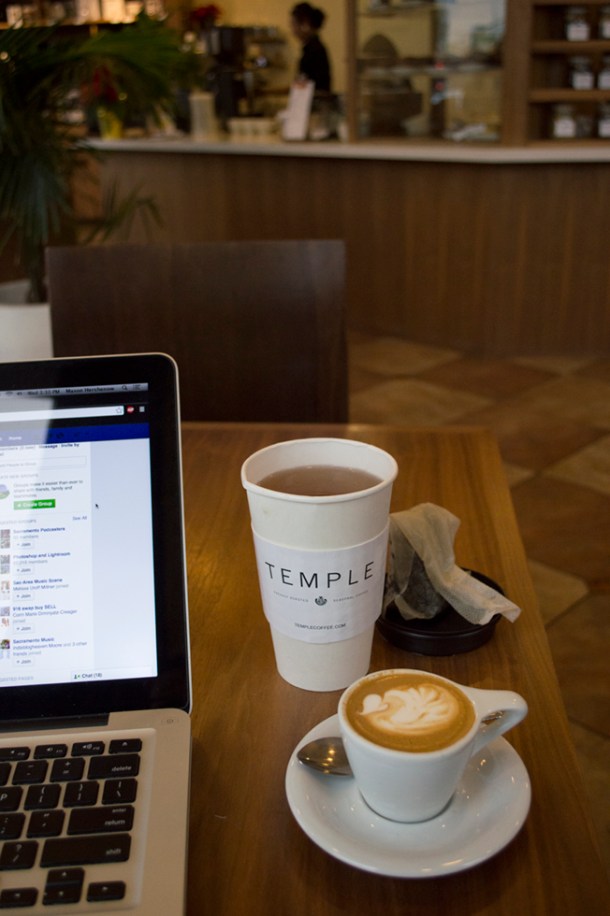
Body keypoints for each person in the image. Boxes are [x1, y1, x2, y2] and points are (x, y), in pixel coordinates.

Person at [290, 3, 331, 93]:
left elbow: (313, 85)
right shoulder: (311, 48)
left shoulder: (314, 50)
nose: (292, 30)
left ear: (305, 24)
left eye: (294, 24)